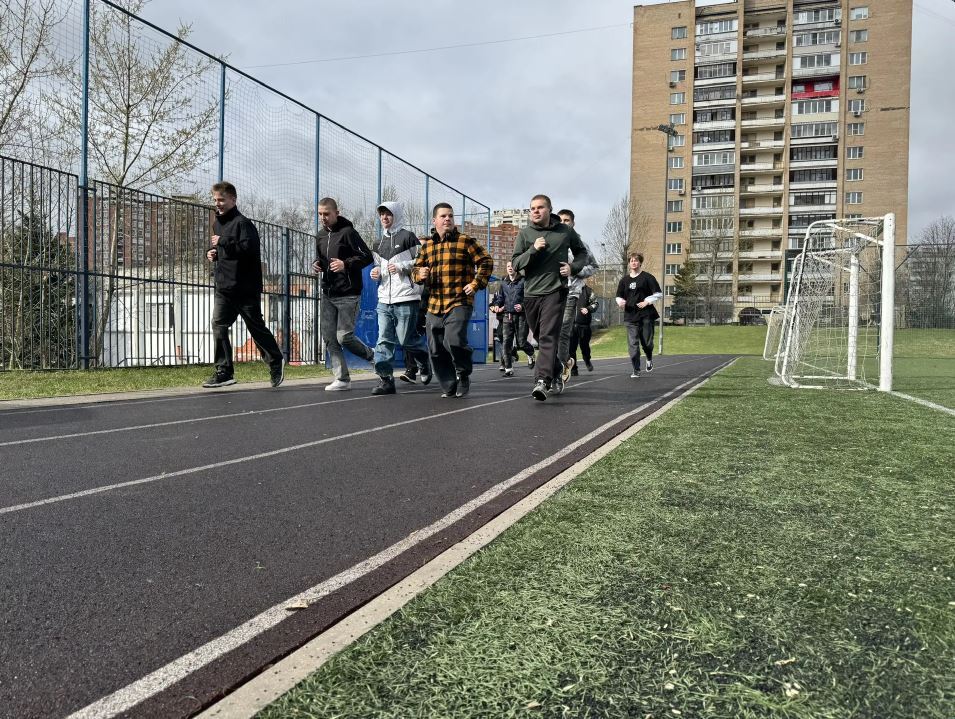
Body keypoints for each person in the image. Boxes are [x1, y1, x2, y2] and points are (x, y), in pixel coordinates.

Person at [203, 181, 285, 389]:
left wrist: (223, 242)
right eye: (215, 200)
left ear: (233, 199)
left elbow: (249, 250)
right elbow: (224, 250)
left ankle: (275, 361)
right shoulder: (217, 224)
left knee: (255, 327)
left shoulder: (243, 223)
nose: (218, 203)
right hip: (224, 287)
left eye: (221, 200)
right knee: (219, 325)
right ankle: (224, 372)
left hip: (245, 287)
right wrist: (213, 253)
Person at [511, 194, 588, 401]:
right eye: (532, 208)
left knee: (547, 337)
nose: (535, 211)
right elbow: (516, 264)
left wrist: (572, 267)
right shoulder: (525, 234)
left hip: (556, 291)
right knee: (541, 337)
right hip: (531, 294)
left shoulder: (565, 231)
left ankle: (542, 381)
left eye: (540, 207)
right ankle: (557, 368)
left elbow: (582, 253)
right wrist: (533, 250)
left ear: (550, 209)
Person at [412, 202, 493, 398]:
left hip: (459, 300)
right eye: (443, 216)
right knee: (435, 349)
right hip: (434, 304)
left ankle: (463, 374)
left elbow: (486, 261)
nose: (447, 219)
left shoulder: (465, 241)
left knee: (454, 340)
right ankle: (449, 384)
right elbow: (415, 270)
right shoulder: (427, 246)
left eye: (450, 215)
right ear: (434, 220)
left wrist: (476, 283)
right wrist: (419, 274)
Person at [368, 201, 431, 395]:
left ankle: (423, 359)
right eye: (381, 214)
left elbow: (422, 261)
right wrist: (375, 272)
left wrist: (402, 266)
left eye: (388, 214)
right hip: (384, 299)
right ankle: (386, 380)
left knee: (405, 340)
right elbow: (378, 266)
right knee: (383, 340)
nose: (384, 217)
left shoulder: (408, 237)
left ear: (396, 215)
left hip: (406, 296)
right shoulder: (377, 243)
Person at [311, 197, 374, 391]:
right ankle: (342, 378)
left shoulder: (348, 233)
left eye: (327, 214)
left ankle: (373, 355)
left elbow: (367, 256)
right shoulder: (320, 236)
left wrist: (345, 264)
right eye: (320, 214)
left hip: (348, 293)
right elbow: (321, 259)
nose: (323, 217)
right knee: (329, 338)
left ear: (336, 213)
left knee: (344, 337)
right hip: (328, 292)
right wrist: (317, 264)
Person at [555, 209, 597, 385]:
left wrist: (575, 270)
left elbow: (594, 266)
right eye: (560, 220)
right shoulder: (551, 242)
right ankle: (566, 361)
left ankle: (559, 369)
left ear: (573, 223)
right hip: (551, 293)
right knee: (547, 333)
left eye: (567, 220)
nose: (563, 223)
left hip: (571, 293)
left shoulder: (581, 245)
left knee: (564, 331)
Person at [615, 252, 662, 378]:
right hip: (630, 316)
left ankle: (649, 357)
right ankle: (636, 369)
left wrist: (647, 301)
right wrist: (620, 302)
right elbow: (618, 296)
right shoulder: (624, 280)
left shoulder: (648, 277)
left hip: (646, 315)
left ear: (640, 262)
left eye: (636, 260)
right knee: (633, 345)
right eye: (631, 260)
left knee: (647, 343)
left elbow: (658, 293)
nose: (633, 262)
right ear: (629, 263)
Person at [497, 261, 536, 377]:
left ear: (517, 268)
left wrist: (522, 306)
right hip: (507, 316)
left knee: (521, 342)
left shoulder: (523, 281)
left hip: (521, 316)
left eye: (512, 266)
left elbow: (530, 298)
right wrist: (496, 305)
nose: (510, 268)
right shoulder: (503, 282)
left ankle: (531, 353)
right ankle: (508, 368)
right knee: (506, 343)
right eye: (508, 266)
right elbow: (500, 298)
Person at [569, 280, 599, 375]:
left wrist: (588, 309)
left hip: (584, 325)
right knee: (571, 349)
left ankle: (587, 360)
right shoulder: (567, 289)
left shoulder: (588, 291)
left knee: (585, 346)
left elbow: (595, 304)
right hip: (570, 325)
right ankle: (573, 369)